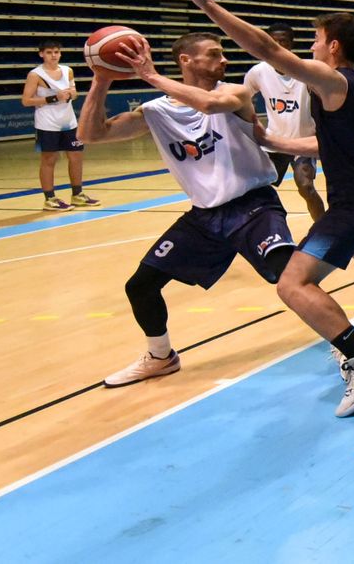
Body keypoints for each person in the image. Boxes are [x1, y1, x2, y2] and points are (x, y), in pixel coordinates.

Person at [181, 0, 354, 418]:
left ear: (333, 47)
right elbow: (333, 143)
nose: (310, 48)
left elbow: (270, 52)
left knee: (293, 282)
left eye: (315, 40)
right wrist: (275, 140)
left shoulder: (333, 80)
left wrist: (208, 5)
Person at [79, 32, 294, 387]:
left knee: (291, 279)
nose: (223, 60)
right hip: (205, 217)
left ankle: (346, 346)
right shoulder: (156, 112)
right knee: (140, 286)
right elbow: (91, 134)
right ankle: (160, 357)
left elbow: (208, 106)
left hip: (253, 204)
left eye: (223, 53)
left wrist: (150, 76)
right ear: (186, 61)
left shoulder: (234, 93)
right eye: (214, 54)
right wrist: (102, 78)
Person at [243, 25, 326, 222]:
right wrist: (250, 122)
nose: (279, 46)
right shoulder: (258, 72)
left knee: (306, 187)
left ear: (292, 44)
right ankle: (263, 227)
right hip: (274, 141)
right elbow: (244, 98)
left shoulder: (305, 69)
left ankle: (323, 229)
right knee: (256, 189)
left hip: (303, 142)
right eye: (274, 41)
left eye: (284, 42)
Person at [22, 40, 99, 211]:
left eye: (56, 52)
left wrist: (71, 94)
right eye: (49, 52)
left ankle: (77, 194)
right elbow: (26, 101)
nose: (53, 55)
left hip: (69, 121)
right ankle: (50, 198)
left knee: (76, 157)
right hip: (47, 123)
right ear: (41, 54)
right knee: (49, 159)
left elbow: (74, 92)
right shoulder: (35, 75)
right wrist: (52, 98)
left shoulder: (67, 70)